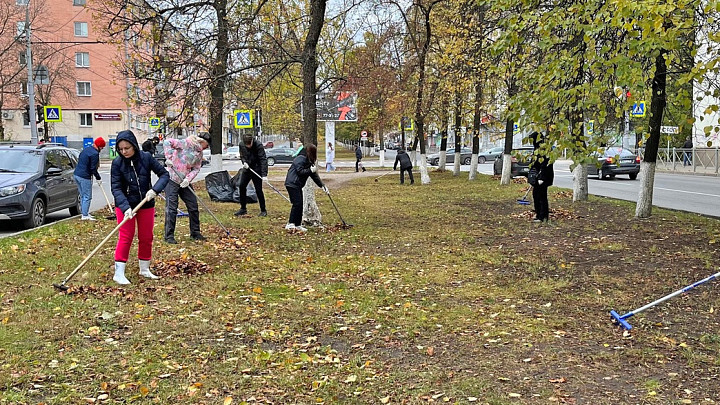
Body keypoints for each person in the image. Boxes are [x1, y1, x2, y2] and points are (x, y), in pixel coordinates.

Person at [110, 130, 169, 285]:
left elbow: (164, 175)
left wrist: (154, 190)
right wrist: (125, 208)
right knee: (126, 236)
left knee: (146, 236)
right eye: (121, 149)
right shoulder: (117, 163)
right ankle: (119, 273)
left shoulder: (146, 158)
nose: (124, 152)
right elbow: (116, 188)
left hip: (145, 203)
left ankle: (144, 269)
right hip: (126, 205)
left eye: (127, 148)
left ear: (134, 146)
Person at [163, 132, 211, 244]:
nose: (207, 147)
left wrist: (187, 179)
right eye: (207, 144)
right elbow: (167, 142)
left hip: (184, 181)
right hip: (172, 178)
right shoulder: (185, 143)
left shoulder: (199, 154)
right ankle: (169, 236)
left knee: (193, 205)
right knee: (172, 208)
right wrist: (168, 158)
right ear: (201, 141)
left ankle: (195, 232)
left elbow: (196, 168)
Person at [284, 144, 328, 232]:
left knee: (300, 204)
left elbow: (314, 176)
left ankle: (297, 224)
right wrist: (310, 170)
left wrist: (322, 186)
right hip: (292, 183)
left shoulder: (308, 161)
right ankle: (290, 223)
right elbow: (300, 171)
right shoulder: (300, 158)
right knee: (297, 204)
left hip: (297, 184)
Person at [234, 134, 268, 217]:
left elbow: (263, 160)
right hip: (247, 169)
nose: (248, 146)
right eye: (247, 145)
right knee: (241, 186)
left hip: (257, 169)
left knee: (258, 190)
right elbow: (242, 155)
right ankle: (243, 208)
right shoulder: (242, 144)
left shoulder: (258, 145)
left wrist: (264, 175)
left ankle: (263, 210)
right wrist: (244, 162)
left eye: (250, 144)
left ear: (252, 140)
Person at [74, 137, 106, 220]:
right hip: (84, 176)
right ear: (99, 146)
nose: (101, 149)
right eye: (102, 147)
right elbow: (93, 168)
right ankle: (85, 215)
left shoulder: (86, 150)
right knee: (87, 196)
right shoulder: (95, 154)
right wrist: (98, 177)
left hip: (77, 174)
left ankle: (84, 213)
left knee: (82, 195)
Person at [529, 132, 554, 223]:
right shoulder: (537, 148)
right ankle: (539, 214)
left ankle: (543, 216)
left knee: (541, 196)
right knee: (536, 195)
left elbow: (545, 164)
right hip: (538, 176)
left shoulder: (544, 148)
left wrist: (542, 178)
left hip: (543, 177)